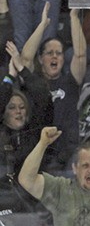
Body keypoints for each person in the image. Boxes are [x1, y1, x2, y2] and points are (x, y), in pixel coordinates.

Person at [20, 2, 87, 172]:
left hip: (67, 150)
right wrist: (42, 26)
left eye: (59, 53)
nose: (55, 57)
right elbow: (25, 58)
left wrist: (73, 18)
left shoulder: (71, 81)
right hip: (38, 148)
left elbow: (80, 54)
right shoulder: (34, 82)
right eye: (50, 53)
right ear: (41, 59)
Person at [0, 41, 52, 176]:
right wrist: (10, 77)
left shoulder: (34, 131)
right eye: (12, 108)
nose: (18, 111)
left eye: (22, 107)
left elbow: (44, 96)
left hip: (31, 192)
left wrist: (21, 69)